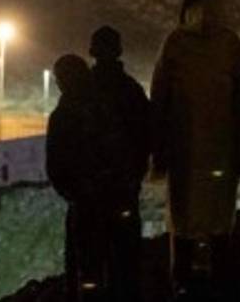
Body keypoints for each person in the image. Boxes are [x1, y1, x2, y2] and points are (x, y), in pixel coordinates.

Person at [151, 0, 240, 295]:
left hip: (221, 149)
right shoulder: (176, 44)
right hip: (185, 148)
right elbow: (160, 99)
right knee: (184, 218)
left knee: (218, 217)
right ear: (193, 10)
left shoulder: (231, 45)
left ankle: (219, 278)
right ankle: (182, 280)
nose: (215, 14)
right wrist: (160, 149)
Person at [87, 25, 151, 302]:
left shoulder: (82, 90)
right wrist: (135, 171)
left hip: (91, 189)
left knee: (92, 256)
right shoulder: (131, 90)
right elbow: (147, 133)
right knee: (125, 255)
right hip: (124, 186)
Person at [46, 54, 108, 300]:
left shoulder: (63, 116)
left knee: (82, 264)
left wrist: (74, 193)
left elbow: (55, 163)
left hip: (83, 202)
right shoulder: (103, 108)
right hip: (108, 197)